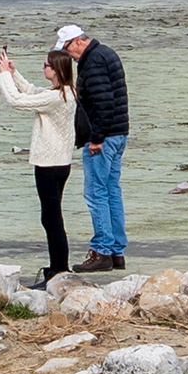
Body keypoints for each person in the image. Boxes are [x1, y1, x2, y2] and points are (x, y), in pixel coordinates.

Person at [0, 42, 78, 277]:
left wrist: (3, 77)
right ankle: (58, 267)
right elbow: (32, 91)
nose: (43, 69)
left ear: (56, 70)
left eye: (46, 66)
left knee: (51, 220)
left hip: (49, 164)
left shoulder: (56, 98)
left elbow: (16, 101)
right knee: (51, 217)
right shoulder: (67, 92)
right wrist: (13, 73)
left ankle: (59, 269)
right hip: (60, 163)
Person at [59, 21, 130, 270]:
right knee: (111, 191)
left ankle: (101, 251)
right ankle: (116, 252)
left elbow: (103, 101)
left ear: (78, 41)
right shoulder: (105, 53)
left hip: (104, 137)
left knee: (96, 194)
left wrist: (96, 138)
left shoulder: (94, 61)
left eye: (68, 49)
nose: (69, 55)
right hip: (119, 133)